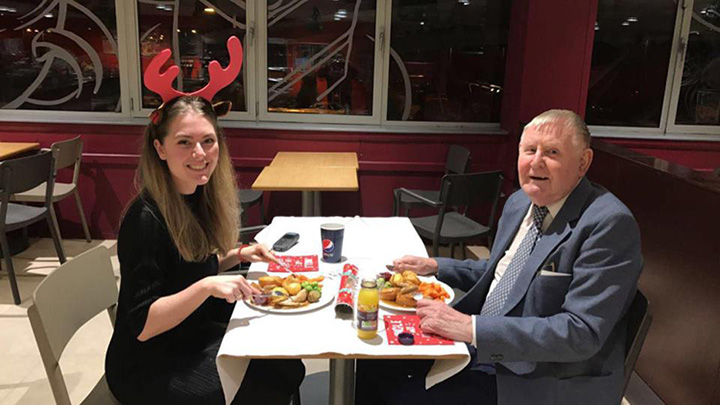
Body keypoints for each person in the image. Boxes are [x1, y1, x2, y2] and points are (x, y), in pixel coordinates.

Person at [357, 109, 643, 405]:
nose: (536, 162)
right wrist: (436, 265)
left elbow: (580, 332)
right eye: (530, 150)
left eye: (552, 152)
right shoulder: (521, 202)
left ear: (583, 162)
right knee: (371, 360)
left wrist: (472, 328)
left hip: (541, 378)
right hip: (488, 349)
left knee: (403, 396)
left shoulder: (608, 224)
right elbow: (503, 273)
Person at [105, 96, 305, 404]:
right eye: (184, 142)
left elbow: (189, 265)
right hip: (146, 365)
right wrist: (206, 286)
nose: (200, 153)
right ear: (160, 148)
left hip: (189, 332)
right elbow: (143, 325)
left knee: (287, 365)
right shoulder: (144, 220)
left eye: (208, 141)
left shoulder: (194, 196)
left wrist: (238, 254)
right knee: (267, 381)